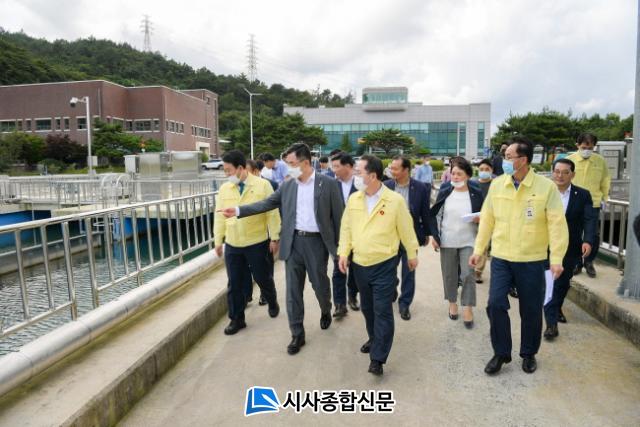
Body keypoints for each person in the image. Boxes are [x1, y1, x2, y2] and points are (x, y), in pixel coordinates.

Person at [220, 143, 344, 355]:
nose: (289, 168)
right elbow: (266, 203)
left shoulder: (329, 184)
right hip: (292, 242)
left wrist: (342, 249)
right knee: (293, 291)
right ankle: (297, 333)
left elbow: (340, 219)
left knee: (319, 285)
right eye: (287, 164)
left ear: (306, 162)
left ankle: (325, 308)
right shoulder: (288, 185)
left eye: (292, 164)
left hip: (316, 243)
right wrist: (239, 210)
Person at [469, 136, 568, 375]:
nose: (504, 160)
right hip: (502, 256)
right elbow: (487, 219)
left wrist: (556, 259)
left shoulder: (545, 188)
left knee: (531, 309)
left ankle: (529, 353)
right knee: (495, 304)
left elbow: (557, 224)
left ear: (523, 160)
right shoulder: (497, 185)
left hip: (532, 259)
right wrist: (479, 250)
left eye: (508, 157)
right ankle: (501, 352)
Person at [338, 155, 419, 376]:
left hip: (384, 264)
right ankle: (375, 339)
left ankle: (378, 358)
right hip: (359, 264)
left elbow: (406, 229)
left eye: (358, 172)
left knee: (382, 310)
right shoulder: (354, 199)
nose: (355, 175)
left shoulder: (394, 200)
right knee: (367, 308)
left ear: (372, 176)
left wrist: (412, 254)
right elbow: (346, 228)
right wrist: (343, 252)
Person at [214, 150, 281, 335]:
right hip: (233, 243)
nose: (226, 174)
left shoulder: (262, 185)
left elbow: (272, 213)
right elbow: (219, 216)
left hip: (257, 241)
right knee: (234, 283)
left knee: (262, 277)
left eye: (228, 170)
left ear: (240, 168)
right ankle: (237, 319)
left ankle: (271, 299)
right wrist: (218, 240)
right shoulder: (225, 189)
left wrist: (275, 237)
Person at [544, 158, 597, 339]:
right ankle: (551, 324)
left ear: (572, 175)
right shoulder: (544, 192)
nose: (560, 176)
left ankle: (556, 306)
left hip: (570, 246)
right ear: (553, 173)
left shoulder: (582, 195)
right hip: (545, 246)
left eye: (565, 172)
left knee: (563, 282)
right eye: (557, 171)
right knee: (549, 283)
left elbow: (590, 220)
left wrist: (587, 240)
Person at [430, 157, 484, 328]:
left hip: (469, 240)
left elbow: (485, 214)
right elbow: (436, 214)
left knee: (468, 274)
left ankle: (468, 308)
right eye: (453, 173)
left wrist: (479, 219)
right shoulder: (445, 189)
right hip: (447, 240)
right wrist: (435, 236)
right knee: (449, 274)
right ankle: (452, 303)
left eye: (459, 174)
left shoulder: (476, 191)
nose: (455, 177)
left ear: (468, 175)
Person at [384, 155, 432, 320]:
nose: (392, 171)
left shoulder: (420, 188)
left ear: (406, 170)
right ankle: (392, 288)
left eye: (395, 168)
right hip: (390, 236)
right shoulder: (386, 186)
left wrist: (427, 233)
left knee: (409, 271)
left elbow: (425, 212)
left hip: (411, 235)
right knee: (388, 270)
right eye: (391, 167)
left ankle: (405, 304)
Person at [568, 133, 611, 278]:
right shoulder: (570, 160)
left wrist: (606, 198)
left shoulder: (600, 161)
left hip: (593, 202)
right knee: (574, 233)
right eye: (584, 147)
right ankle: (577, 262)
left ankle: (589, 261)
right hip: (574, 201)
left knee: (593, 234)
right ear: (577, 145)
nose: (587, 150)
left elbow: (605, 179)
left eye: (590, 148)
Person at [330, 152, 359, 317]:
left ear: (348, 166)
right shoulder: (331, 185)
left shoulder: (361, 184)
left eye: (336, 166)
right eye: (332, 166)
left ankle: (352, 296)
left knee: (354, 270)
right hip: (338, 236)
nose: (333, 170)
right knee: (338, 270)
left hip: (359, 235)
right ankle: (339, 304)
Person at [472, 159, 494, 284]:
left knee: (485, 247)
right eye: (481, 169)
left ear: (492, 170)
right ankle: (470, 269)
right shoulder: (472, 184)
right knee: (473, 245)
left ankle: (478, 272)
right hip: (474, 219)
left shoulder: (495, 185)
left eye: (487, 169)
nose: (484, 171)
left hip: (489, 221)